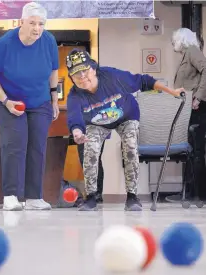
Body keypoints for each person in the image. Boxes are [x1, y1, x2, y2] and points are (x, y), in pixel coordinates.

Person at [66, 48, 184, 211]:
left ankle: (132, 197)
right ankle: (91, 196)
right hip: (97, 122)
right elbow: (74, 118)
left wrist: (172, 91)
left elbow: (143, 81)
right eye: (76, 74)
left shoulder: (111, 76)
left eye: (85, 70)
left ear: (93, 68)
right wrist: (77, 132)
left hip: (126, 115)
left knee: (130, 146)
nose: (82, 76)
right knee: (90, 149)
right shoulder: (74, 95)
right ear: (71, 77)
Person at [0, 2, 60, 211]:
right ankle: (11, 196)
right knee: (15, 143)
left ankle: (34, 197)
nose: (37, 28)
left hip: (39, 99)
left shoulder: (48, 40)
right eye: (32, 23)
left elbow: (54, 70)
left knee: (37, 146)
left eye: (41, 24)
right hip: (6, 99)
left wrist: (54, 97)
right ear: (21, 22)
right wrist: (7, 102)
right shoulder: (4, 44)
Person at [166, 28, 206, 203]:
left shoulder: (192, 51)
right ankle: (188, 193)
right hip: (188, 108)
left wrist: (198, 97)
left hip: (197, 107)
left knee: (197, 151)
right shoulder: (187, 55)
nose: (173, 42)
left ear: (182, 39)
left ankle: (199, 195)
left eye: (174, 39)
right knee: (190, 151)